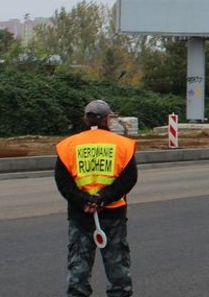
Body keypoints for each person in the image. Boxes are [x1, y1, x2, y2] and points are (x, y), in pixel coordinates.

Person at [54, 100, 137, 297]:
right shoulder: (122, 145)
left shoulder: (68, 145)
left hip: (80, 216)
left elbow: (63, 182)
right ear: (108, 119)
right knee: (118, 274)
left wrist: (84, 201)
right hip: (113, 216)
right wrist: (103, 199)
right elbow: (128, 179)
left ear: (85, 118)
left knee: (78, 274)